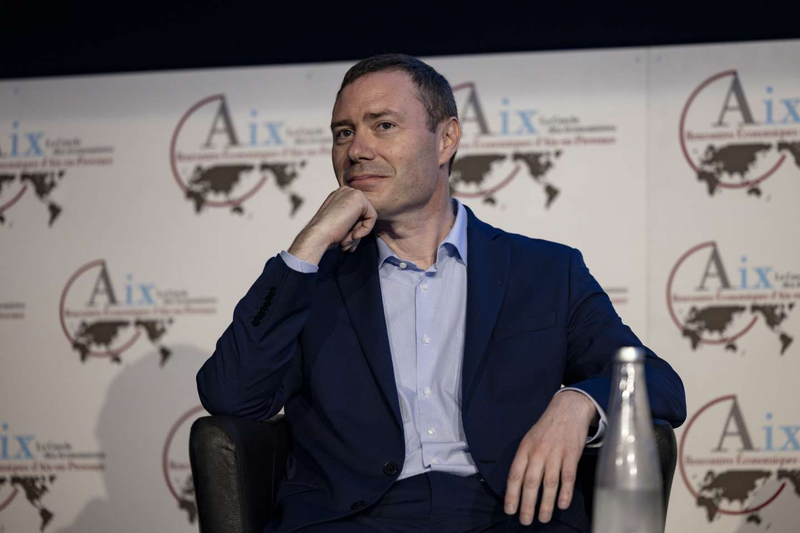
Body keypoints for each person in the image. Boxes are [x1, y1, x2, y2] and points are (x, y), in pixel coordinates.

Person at [197, 54, 686, 532]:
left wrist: (578, 402)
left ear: (446, 139)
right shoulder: (312, 280)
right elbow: (231, 396)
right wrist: (309, 243)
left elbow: (659, 381)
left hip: (509, 515)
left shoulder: (545, 271)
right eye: (343, 132)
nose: (357, 149)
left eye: (383, 125)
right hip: (351, 519)